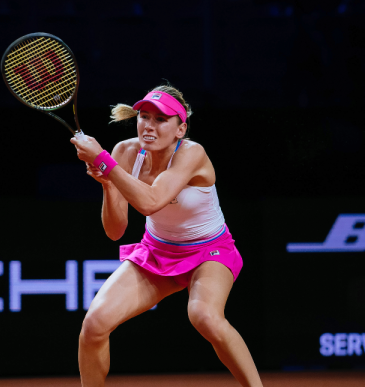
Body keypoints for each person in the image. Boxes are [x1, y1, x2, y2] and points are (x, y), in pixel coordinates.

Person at [71, 85, 262, 387]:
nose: (149, 125)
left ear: (180, 128)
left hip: (209, 252)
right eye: (144, 116)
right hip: (157, 252)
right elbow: (115, 231)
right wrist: (108, 183)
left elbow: (150, 203)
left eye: (161, 119)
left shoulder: (192, 153)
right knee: (94, 325)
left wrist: (105, 162)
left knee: (204, 316)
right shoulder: (125, 152)